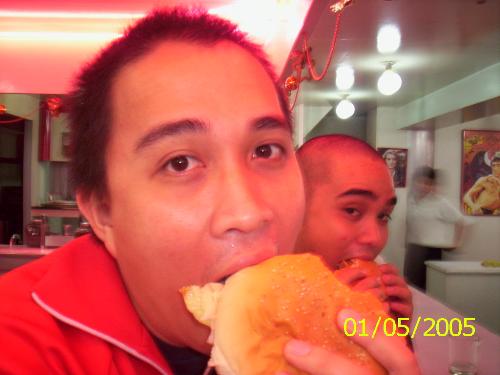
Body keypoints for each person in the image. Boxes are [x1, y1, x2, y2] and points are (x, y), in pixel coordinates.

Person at [0, 7, 419, 375]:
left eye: (266, 150)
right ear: (102, 212)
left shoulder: (332, 317)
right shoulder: (18, 344)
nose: (251, 213)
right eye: (179, 163)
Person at [295, 135, 413, 321]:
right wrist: (320, 324)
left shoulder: (379, 268)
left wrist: (398, 328)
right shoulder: (252, 292)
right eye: (352, 210)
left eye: (383, 216)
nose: (375, 238)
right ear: (295, 208)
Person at [405, 166, 468, 290]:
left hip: (433, 251)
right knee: (411, 285)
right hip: (414, 249)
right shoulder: (411, 200)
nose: (423, 186)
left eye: (427, 183)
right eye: (420, 182)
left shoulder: (440, 202)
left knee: (430, 287)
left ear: (432, 185)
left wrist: (456, 243)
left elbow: (461, 221)